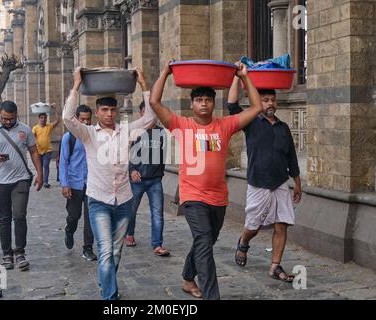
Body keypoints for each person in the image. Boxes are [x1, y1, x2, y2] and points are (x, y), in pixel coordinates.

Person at [149, 61, 263, 300]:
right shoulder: (181, 125)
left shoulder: (224, 125)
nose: (203, 104)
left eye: (208, 100)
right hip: (192, 196)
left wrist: (244, 76)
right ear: (192, 105)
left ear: (213, 103)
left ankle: (188, 279)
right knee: (203, 240)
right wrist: (165, 73)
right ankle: (213, 296)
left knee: (206, 241)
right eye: (199, 100)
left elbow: (256, 107)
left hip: (218, 198)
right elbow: (154, 102)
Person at [63, 66, 156, 300]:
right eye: (104, 110)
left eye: (112, 110)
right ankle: (110, 298)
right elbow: (67, 118)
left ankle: (105, 281)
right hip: (99, 201)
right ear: (97, 111)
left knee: (115, 251)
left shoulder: (126, 131)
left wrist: (144, 84)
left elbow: (150, 118)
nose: (109, 114)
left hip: (124, 200)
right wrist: (76, 85)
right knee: (105, 250)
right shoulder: (88, 134)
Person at [227, 75, 302, 282]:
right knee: (254, 225)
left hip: (280, 183)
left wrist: (297, 183)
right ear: (258, 102)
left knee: (282, 224)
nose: (270, 104)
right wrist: (236, 77)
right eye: (265, 100)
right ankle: (243, 242)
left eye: (273, 100)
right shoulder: (251, 122)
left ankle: (275, 266)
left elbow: (292, 158)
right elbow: (231, 105)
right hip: (258, 182)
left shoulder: (283, 128)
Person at [0, 100, 43, 271]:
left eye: (11, 118)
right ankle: (6, 254)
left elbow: (33, 151)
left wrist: (40, 174)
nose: (8, 122)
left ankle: (20, 252)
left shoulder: (25, 129)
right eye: (5, 118)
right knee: (4, 219)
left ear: (17, 115)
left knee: (20, 215)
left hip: (21, 179)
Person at [125, 101, 170, 257]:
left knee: (157, 212)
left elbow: (163, 155)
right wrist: (132, 170)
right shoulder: (135, 132)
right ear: (141, 114)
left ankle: (157, 244)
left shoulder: (162, 132)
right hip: (137, 180)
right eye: (147, 112)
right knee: (131, 210)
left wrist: (160, 172)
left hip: (155, 181)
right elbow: (129, 153)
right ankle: (129, 233)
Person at [60, 104, 97, 261]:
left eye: (88, 120)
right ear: (76, 119)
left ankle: (87, 248)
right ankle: (69, 230)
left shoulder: (95, 135)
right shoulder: (69, 138)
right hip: (74, 183)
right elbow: (63, 162)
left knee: (91, 218)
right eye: (83, 120)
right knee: (74, 215)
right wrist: (65, 184)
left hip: (93, 184)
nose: (86, 123)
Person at [32, 104, 60, 188]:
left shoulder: (49, 126)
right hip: (38, 150)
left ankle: (46, 182)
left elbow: (57, 120)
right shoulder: (35, 128)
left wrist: (55, 109)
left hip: (47, 150)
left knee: (46, 165)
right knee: (39, 166)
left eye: (45, 118)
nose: (43, 120)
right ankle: (40, 178)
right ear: (39, 119)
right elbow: (32, 138)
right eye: (42, 118)